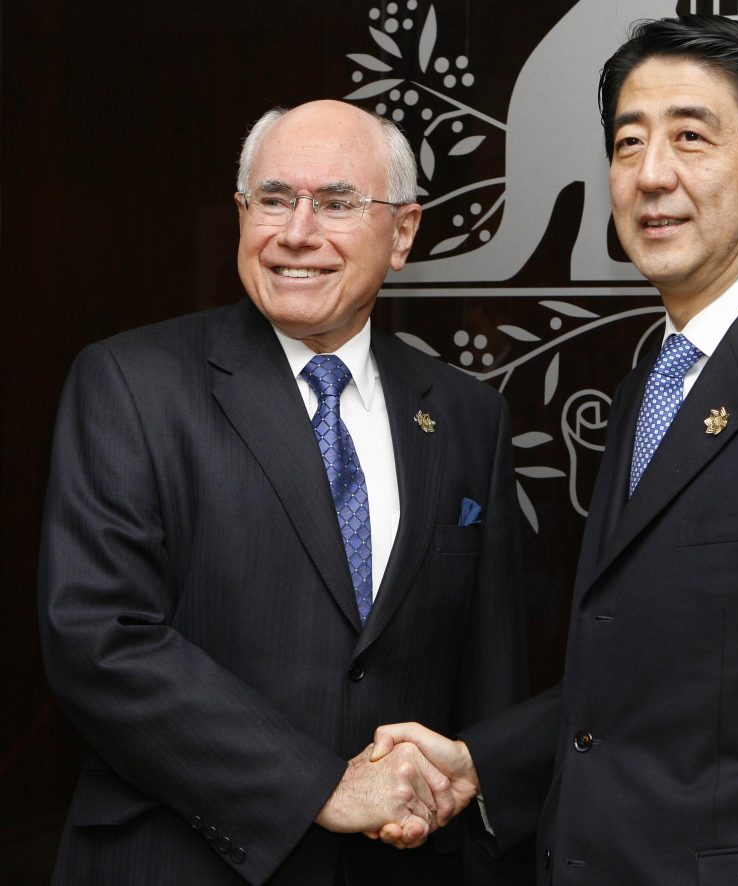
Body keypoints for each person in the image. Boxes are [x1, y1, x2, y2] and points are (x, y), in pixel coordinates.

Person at [370, 15, 738, 885]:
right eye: (627, 143)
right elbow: (650, 681)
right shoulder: (655, 374)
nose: (650, 176)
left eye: (692, 138)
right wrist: (480, 763)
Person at [38, 100, 528, 885]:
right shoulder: (131, 383)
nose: (297, 233)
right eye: (273, 199)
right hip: (181, 860)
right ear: (241, 213)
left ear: (403, 233)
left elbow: (490, 674)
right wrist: (322, 787)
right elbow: (98, 638)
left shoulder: (469, 416)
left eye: (337, 203)